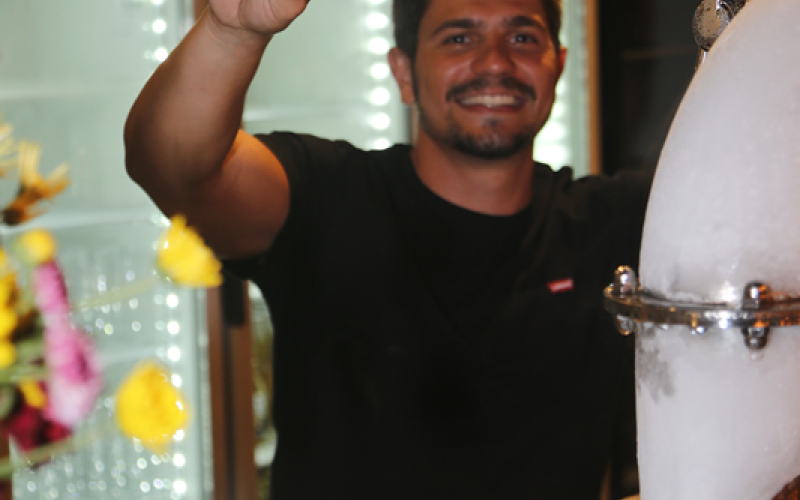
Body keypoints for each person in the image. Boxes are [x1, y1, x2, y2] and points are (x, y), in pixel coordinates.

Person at [124, 0, 651, 498]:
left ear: (558, 65)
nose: (495, 62)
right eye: (459, 38)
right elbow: (175, 168)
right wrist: (232, 29)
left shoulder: (605, 223)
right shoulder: (329, 197)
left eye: (522, 37)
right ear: (403, 72)